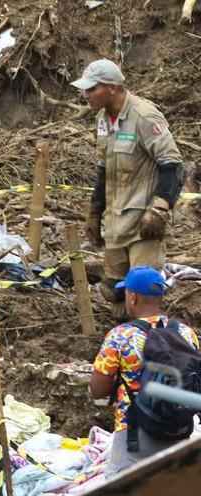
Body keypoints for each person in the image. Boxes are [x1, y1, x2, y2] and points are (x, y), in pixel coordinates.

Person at [72, 59, 183, 313]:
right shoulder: (102, 119)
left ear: (111, 87)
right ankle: (125, 345)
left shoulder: (144, 116)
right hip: (115, 222)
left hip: (143, 223)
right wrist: (94, 214)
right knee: (115, 291)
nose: (85, 95)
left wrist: (159, 209)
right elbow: (103, 170)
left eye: (91, 89)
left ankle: (151, 344)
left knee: (143, 291)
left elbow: (173, 165)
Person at [90, 267, 199, 474]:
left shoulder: (120, 336)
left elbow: (98, 390)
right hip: (179, 428)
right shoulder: (186, 333)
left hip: (134, 432)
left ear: (133, 297)